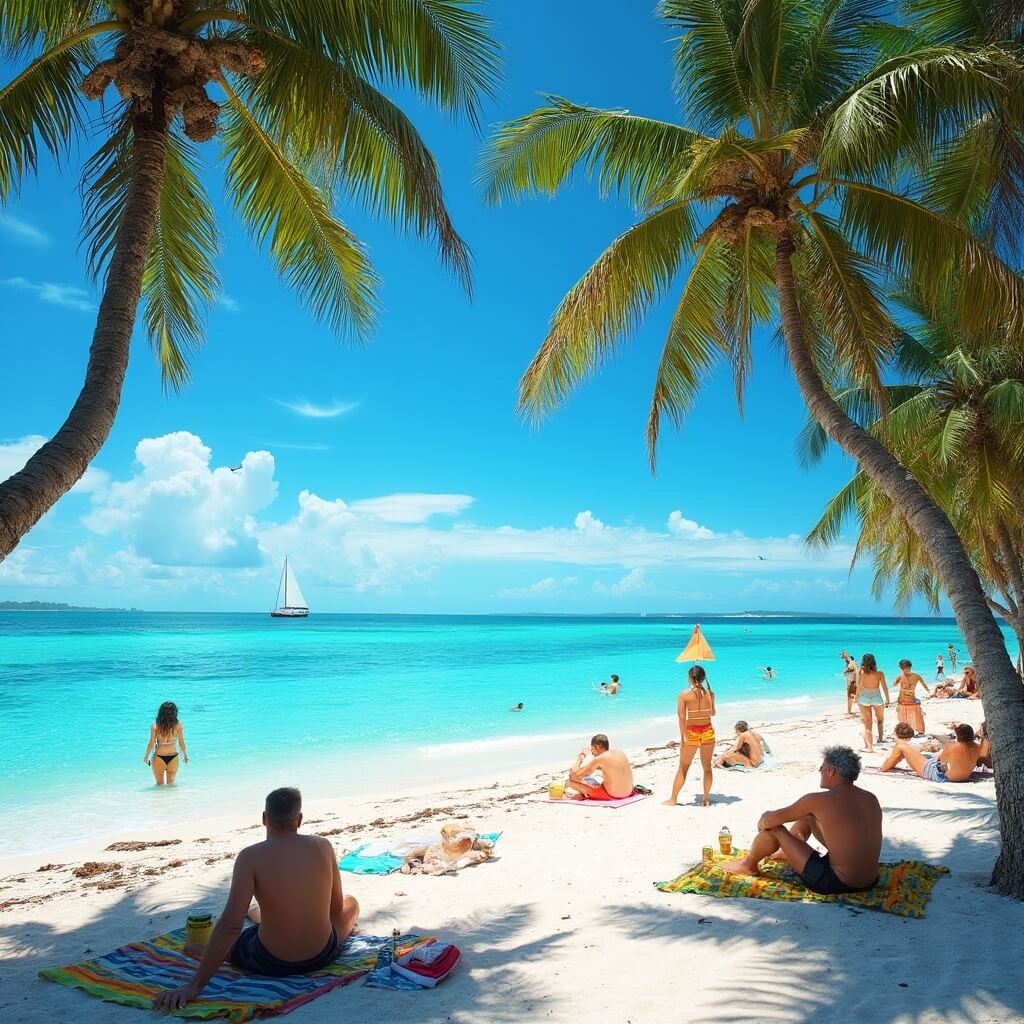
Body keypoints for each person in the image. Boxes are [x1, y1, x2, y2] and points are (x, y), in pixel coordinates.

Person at [152, 788, 359, 1011]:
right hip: (321, 955)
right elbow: (336, 909)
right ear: (299, 819)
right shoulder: (323, 845)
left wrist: (194, 986)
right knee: (351, 904)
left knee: (239, 941)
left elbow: (231, 926)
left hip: (271, 961)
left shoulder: (250, 856)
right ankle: (255, 913)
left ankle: (204, 948)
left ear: (264, 818)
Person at [721, 746, 881, 894]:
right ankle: (786, 851)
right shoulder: (870, 798)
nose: (820, 772)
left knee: (775, 829)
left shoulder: (818, 800)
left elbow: (768, 821)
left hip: (836, 883)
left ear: (831, 771)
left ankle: (747, 865)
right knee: (809, 815)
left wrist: (763, 821)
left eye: (822, 768)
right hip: (870, 881)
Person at [663, 665, 716, 807]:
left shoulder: (684, 694)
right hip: (708, 731)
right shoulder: (710, 694)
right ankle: (705, 800)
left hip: (692, 732)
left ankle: (673, 799)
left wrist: (682, 737)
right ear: (703, 678)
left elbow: (681, 716)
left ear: (689, 678)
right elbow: (713, 713)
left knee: (683, 767)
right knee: (707, 767)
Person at [879, 723, 990, 783]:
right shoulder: (978, 748)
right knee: (917, 755)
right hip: (964, 778)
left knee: (901, 747)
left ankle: (885, 766)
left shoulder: (952, 746)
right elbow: (984, 761)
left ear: (959, 736)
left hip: (943, 778)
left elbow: (940, 764)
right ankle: (895, 759)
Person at [566, 734, 634, 800]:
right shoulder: (620, 752)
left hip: (613, 795)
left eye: (592, 749)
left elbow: (573, 776)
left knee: (569, 782)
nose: (592, 753)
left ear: (597, 746)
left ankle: (564, 796)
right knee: (591, 779)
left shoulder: (600, 758)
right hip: (628, 792)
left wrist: (581, 756)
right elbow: (584, 772)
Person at [143, 701, 188, 785]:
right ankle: (170, 798)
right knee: (171, 785)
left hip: (159, 757)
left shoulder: (155, 725)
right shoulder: (178, 724)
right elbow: (181, 742)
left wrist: (146, 756)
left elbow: (151, 743)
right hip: (173, 757)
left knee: (159, 785)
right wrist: (185, 755)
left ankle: (160, 798)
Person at [854, 653, 890, 753]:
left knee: (867, 723)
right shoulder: (880, 673)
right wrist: (887, 699)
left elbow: (859, 686)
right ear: (874, 661)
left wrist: (856, 697)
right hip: (877, 698)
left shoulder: (861, 672)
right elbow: (884, 687)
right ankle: (881, 738)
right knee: (880, 720)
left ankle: (869, 747)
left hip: (864, 698)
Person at [894, 659, 930, 734]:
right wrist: (897, 680)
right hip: (902, 700)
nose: (906, 670)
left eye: (907, 668)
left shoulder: (916, 676)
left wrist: (928, 691)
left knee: (915, 711)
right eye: (904, 669)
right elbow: (894, 685)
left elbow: (924, 685)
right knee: (903, 713)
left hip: (910, 699)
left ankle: (919, 730)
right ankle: (907, 730)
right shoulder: (900, 677)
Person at [841, 651, 858, 716]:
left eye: (846, 660)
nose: (845, 661)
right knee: (854, 697)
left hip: (852, 683)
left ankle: (849, 712)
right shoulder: (854, 666)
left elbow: (845, 674)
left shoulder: (850, 666)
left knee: (850, 698)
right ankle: (850, 711)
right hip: (854, 683)